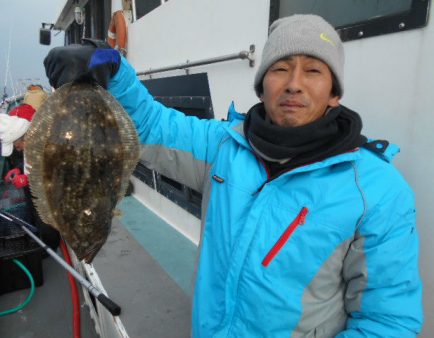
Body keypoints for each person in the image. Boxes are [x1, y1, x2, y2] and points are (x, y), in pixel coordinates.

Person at [44, 14, 423, 337]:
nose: (294, 83)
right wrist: (109, 61)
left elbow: (388, 322)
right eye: (280, 68)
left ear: (334, 92)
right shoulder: (224, 146)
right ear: (262, 85)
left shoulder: (378, 191)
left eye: (313, 70)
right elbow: (151, 124)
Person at [0, 96, 60, 252]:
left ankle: (50, 249)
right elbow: (29, 162)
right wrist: (18, 168)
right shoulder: (29, 143)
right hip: (35, 194)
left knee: (46, 226)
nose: (18, 150)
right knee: (36, 219)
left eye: (17, 146)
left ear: (25, 135)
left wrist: (28, 178)